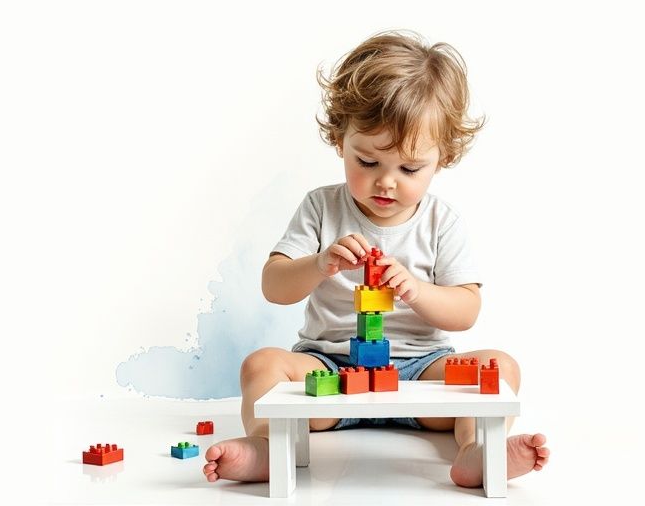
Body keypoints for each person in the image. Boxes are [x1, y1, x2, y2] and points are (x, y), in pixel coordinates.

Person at [204, 30, 549, 488]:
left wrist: (416, 290)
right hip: (329, 368)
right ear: (339, 141)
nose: (386, 182)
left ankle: (475, 452)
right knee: (260, 366)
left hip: (420, 373)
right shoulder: (321, 207)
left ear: (441, 158)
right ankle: (268, 446)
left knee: (501, 366)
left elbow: (467, 310)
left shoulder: (440, 221)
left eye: (409, 169)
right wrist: (320, 263)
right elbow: (275, 285)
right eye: (367, 161)